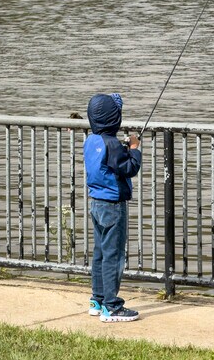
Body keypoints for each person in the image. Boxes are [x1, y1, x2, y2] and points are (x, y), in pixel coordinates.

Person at [83, 93, 142, 322]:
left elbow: (108, 164)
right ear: (114, 119)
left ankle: (97, 300)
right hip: (113, 206)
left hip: (96, 204)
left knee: (99, 253)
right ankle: (112, 307)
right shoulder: (113, 145)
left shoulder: (91, 141)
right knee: (114, 256)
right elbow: (129, 168)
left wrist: (122, 149)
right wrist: (134, 148)